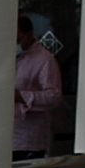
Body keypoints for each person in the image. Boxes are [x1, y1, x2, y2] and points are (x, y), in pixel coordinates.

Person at [14, 14, 64, 159]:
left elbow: (54, 96)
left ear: (29, 34)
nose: (15, 44)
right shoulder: (5, 57)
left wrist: (22, 96)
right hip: (3, 137)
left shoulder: (44, 59)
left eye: (17, 39)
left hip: (27, 140)